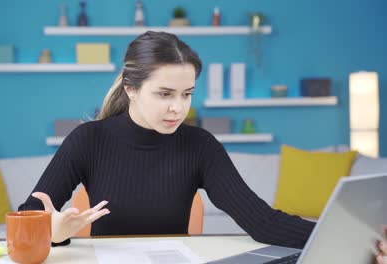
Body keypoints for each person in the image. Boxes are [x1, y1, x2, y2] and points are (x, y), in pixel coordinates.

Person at [19, 31, 387, 258]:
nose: (178, 107)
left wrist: (355, 238)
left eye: (187, 93)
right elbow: (24, 221)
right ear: (131, 88)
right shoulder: (89, 139)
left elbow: (260, 221)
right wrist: (54, 234)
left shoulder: (200, 145)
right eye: (164, 94)